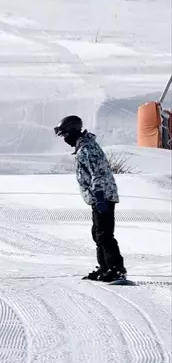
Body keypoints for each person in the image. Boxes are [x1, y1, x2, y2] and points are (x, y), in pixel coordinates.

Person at [54, 116, 126, 282]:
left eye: (65, 135)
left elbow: (97, 173)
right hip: (97, 197)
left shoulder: (87, 149)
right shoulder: (83, 147)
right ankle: (105, 267)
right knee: (98, 233)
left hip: (103, 196)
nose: (65, 139)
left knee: (104, 234)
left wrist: (100, 197)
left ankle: (116, 269)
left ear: (72, 131)